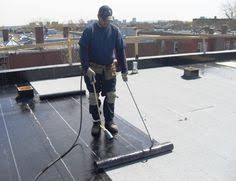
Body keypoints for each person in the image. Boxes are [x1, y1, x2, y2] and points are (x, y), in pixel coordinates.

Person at [79, 5, 128, 137]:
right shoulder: (90, 30)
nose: (107, 22)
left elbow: (120, 51)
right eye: (105, 19)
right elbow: (83, 50)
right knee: (94, 97)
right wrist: (86, 67)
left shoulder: (115, 31)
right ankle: (96, 121)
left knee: (111, 95)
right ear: (99, 17)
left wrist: (124, 70)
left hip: (109, 68)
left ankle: (109, 121)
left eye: (109, 19)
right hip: (93, 69)